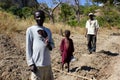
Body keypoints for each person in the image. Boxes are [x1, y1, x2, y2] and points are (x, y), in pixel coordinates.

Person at [26, 10, 54, 80]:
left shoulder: (48, 30)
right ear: (34, 18)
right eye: (37, 17)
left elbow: (52, 45)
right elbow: (28, 47)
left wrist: (49, 45)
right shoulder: (30, 30)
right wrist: (31, 63)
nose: (40, 19)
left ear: (44, 18)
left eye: (41, 17)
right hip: (36, 65)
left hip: (47, 64)